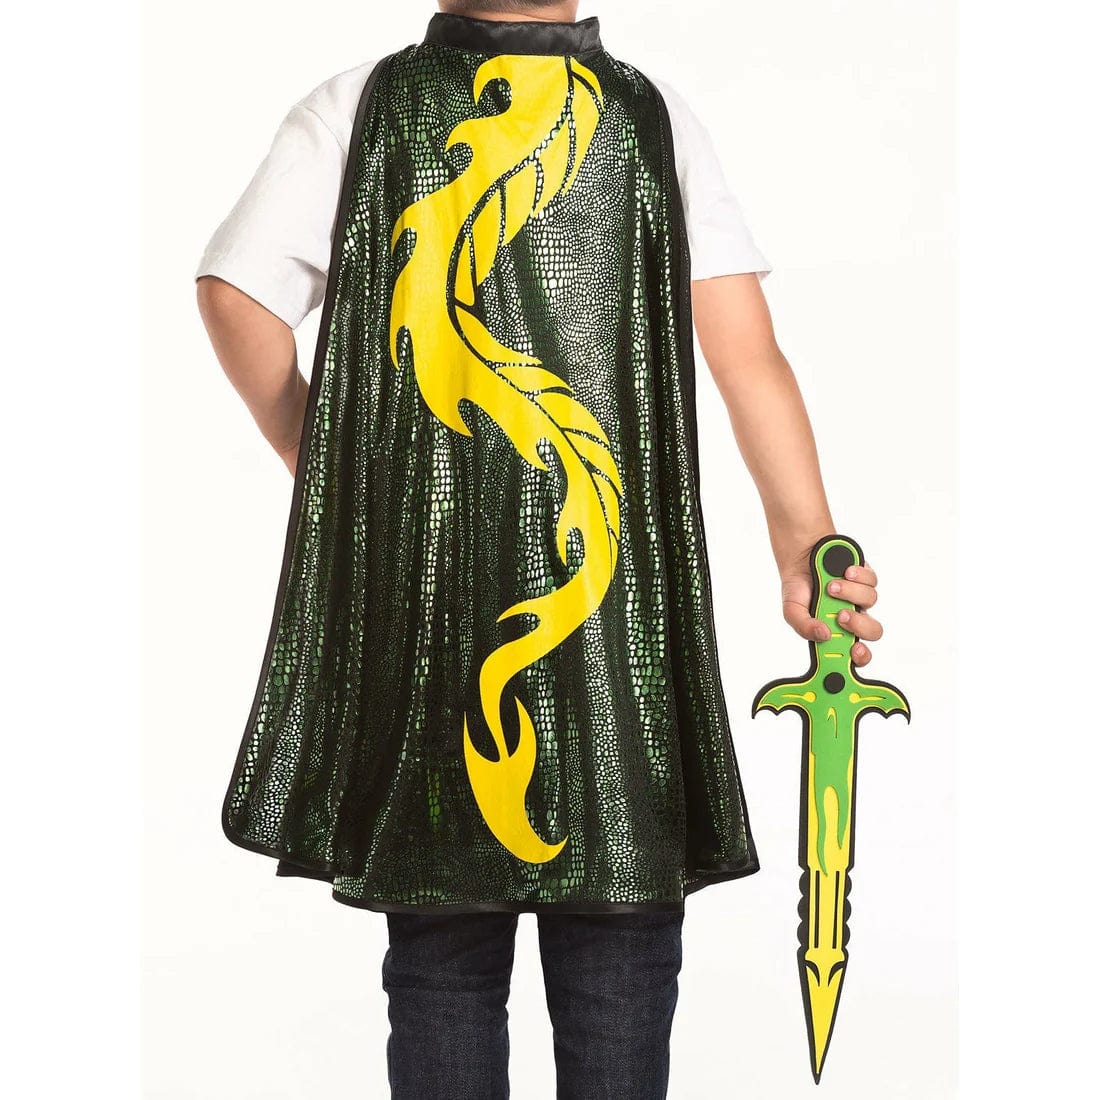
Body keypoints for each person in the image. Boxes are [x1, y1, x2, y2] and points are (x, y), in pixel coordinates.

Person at [195, 3, 887, 1097]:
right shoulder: (649, 114)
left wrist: (322, 458)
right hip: (613, 619)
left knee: (445, 956)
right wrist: (801, 536)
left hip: (441, 604)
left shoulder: (360, 103)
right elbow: (745, 351)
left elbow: (237, 294)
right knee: (616, 947)